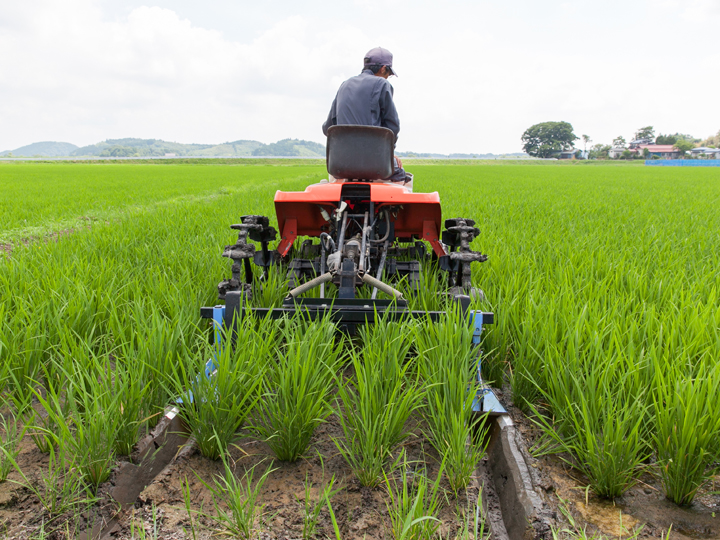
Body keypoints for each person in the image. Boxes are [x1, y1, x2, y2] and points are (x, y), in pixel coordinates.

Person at [322, 47, 410, 186]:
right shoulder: (382, 84)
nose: (388, 77)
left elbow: (327, 127)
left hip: (340, 165)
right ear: (383, 68)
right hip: (375, 164)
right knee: (403, 176)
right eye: (389, 73)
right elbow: (393, 126)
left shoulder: (344, 85)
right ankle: (394, 208)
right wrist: (388, 153)